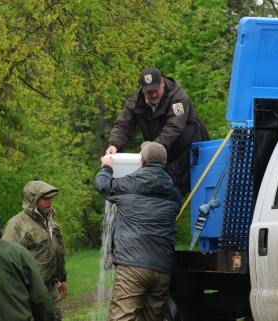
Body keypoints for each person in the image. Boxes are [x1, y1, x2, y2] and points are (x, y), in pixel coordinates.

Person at [95, 141, 182, 321]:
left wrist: (106, 168)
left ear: (142, 161)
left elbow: (102, 185)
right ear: (164, 163)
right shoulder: (174, 194)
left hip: (132, 267)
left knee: (122, 316)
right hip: (162, 269)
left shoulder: (128, 184)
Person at [105, 67, 212, 196]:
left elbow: (173, 128)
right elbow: (123, 124)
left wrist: (151, 149)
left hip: (191, 153)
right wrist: (114, 144)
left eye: (156, 90)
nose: (154, 95)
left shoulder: (178, 98)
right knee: (159, 196)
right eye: (149, 92)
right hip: (161, 156)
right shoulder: (135, 101)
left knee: (201, 193)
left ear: (162, 83)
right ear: (142, 90)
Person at [2, 180, 67, 321]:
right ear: (33, 199)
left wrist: (62, 279)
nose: (49, 202)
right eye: (44, 198)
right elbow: (6, 260)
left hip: (52, 288)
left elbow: (58, 252)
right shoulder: (17, 224)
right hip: (30, 292)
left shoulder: (52, 223)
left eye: (50, 198)